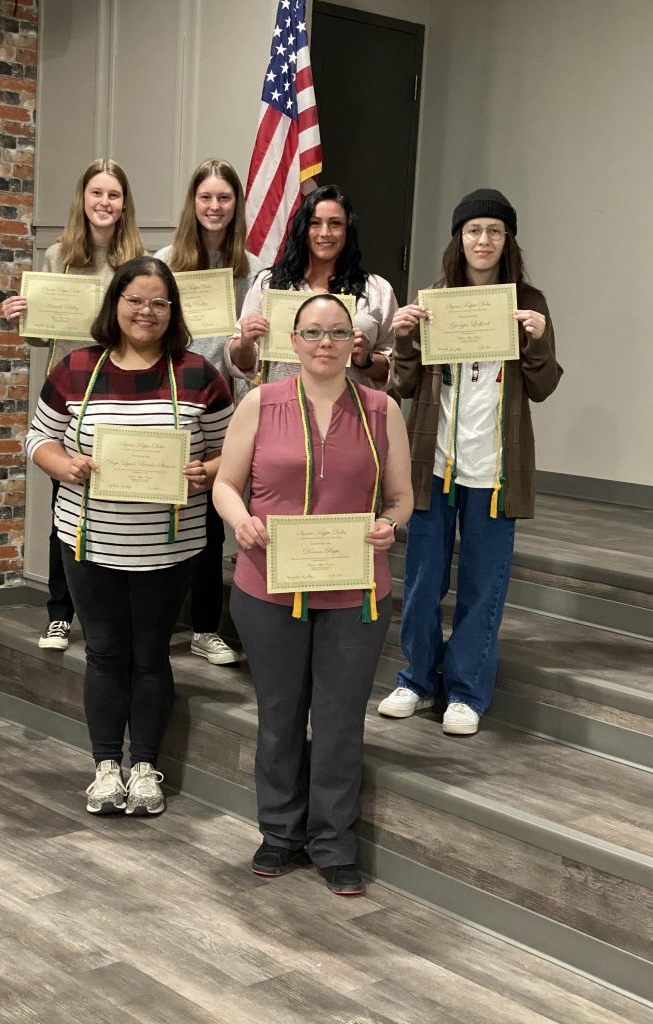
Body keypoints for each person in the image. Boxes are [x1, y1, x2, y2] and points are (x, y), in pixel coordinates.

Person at [214, 294, 412, 896]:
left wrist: (390, 525)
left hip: (354, 591)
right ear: (292, 341)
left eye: (336, 332)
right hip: (268, 585)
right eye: (311, 332)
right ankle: (279, 833)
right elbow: (225, 483)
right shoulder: (259, 402)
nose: (324, 342)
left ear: (355, 343)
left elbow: (401, 499)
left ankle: (332, 842)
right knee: (278, 715)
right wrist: (240, 520)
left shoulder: (382, 410)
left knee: (339, 721)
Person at [26, 256, 233, 816]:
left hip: (170, 547)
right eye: (135, 300)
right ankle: (104, 767)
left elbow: (233, 453)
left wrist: (205, 473)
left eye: (159, 303)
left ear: (174, 310)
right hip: (89, 543)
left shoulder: (197, 374)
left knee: (150, 657)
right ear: (115, 303)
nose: (146, 311)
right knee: (105, 654)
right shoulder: (74, 368)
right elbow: (37, 439)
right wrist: (64, 466)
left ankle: (144, 766)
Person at [378, 189, 562, 737]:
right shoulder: (436, 298)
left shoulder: (529, 301)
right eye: (473, 230)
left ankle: (466, 691)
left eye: (494, 232)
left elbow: (544, 386)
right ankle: (415, 678)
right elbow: (404, 385)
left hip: (495, 471)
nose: (483, 241)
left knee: (484, 584)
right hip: (434, 466)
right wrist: (406, 340)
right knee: (421, 580)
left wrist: (537, 340)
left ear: (508, 242)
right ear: (459, 238)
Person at [3, 158, 145, 651]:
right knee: (66, 499)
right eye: (96, 194)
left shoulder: (137, 260)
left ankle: (115, 613)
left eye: (113, 195)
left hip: (121, 393)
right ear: (82, 200)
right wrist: (23, 317)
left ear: (125, 204)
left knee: (118, 502)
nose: (104, 203)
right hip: (68, 395)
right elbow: (44, 337)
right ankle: (59, 614)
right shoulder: (58, 254)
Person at [156, 159, 263, 667]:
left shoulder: (254, 269)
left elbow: (251, 361)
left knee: (209, 518)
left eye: (224, 198)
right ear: (192, 204)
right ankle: (154, 622)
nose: (215, 207)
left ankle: (203, 627)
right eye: (206, 198)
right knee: (156, 513)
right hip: (168, 403)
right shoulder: (163, 262)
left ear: (236, 204)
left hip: (224, 411)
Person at [225, 184, 396, 390]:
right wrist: (244, 343)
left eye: (335, 224)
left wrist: (366, 359)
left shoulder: (377, 290)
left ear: (348, 230)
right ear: (303, 230)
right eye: (315, 223)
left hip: (350, 414)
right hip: (281, 412)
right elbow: (243, 364)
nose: (325, 233)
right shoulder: (270, 284)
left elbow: (394, 370)